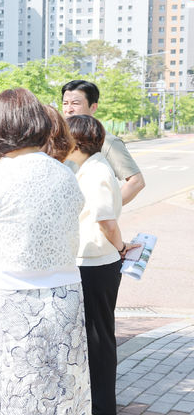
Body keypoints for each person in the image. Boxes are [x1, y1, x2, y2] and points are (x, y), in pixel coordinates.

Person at [0, 88, 90, 414]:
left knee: (2, 394)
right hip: (63, 299)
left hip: (6, 304)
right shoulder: (66, 176)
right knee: (58, 394)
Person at [66, 115, 140, 415]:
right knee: (92, 336)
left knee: (99, 338)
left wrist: (122, 247)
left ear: (77, 141)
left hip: (96, 265)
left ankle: (102, 406)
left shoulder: (96, 170)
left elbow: (106, 221)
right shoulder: (88, 167)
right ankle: (92, 402)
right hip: (89, 262)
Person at [61, 80, 145, 204]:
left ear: (93, 107)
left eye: (75, 103)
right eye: (65, 103)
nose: (69, 109)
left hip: (84, 221)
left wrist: (104, 211)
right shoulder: (58, 137)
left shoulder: (107, 141)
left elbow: (136, 182)